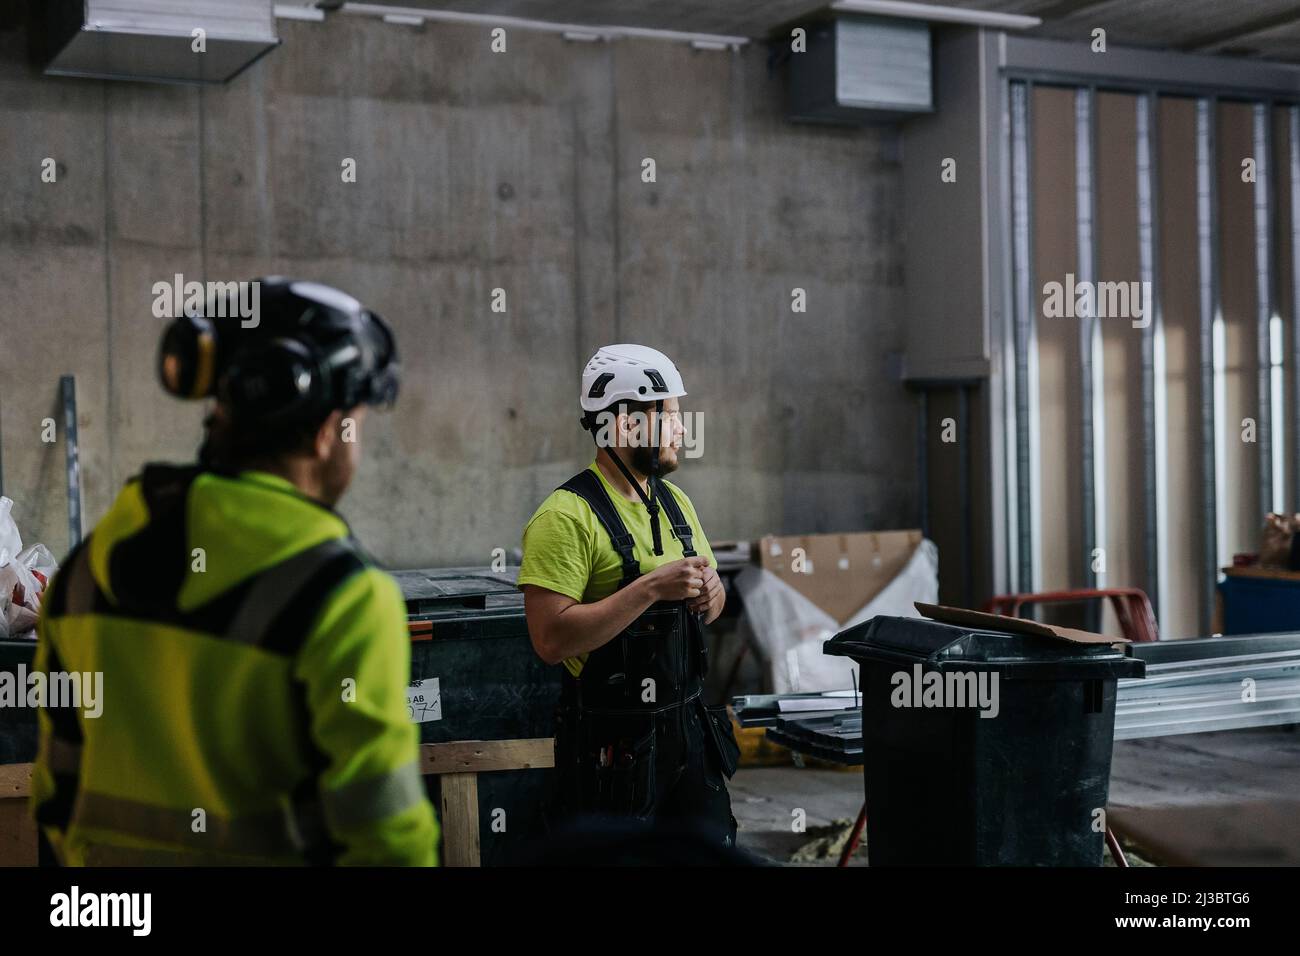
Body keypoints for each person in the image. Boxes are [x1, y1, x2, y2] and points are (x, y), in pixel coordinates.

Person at [30, 278, 439, 866]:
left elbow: (55, 794)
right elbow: (387, 839)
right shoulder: (345, 597)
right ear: (327, 432)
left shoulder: (88, 567)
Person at [517, 344, 740, 848]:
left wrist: (712, 591)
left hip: (689, 736)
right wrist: (649, 588)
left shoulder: (675, 502)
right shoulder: (565, 517)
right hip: (612, 751)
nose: (683, 431)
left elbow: (712, 606)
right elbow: (550, 639)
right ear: (625, 424)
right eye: (672, 417)